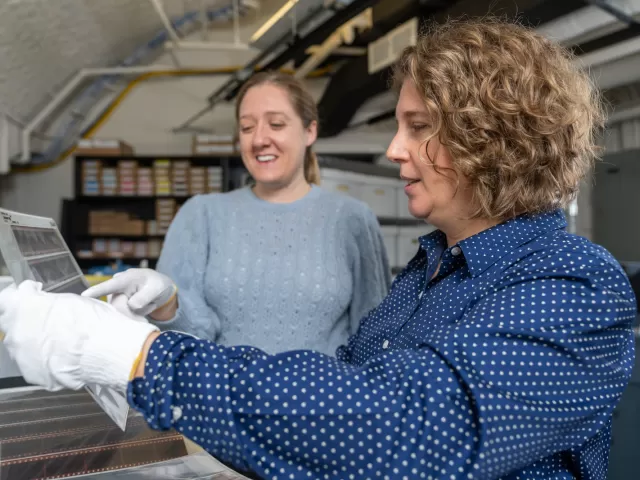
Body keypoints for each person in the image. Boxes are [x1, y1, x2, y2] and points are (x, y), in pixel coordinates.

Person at [0, 17, 636, 480]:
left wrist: (135, 356)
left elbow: (401, 429)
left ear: (491, 139)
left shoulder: (576, 287)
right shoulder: (429, 271)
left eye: (418, 128)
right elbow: (352, 394)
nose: (393, 150)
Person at [82, 71, 390, 356]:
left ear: (309, 131)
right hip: (224, 407)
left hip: (322, 409)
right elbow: (185, 341)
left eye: (277, 124)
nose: (258, 139)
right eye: (247, 127)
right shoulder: (201, 215)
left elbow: (374, 339)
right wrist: (166, 305)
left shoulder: (353, 219)